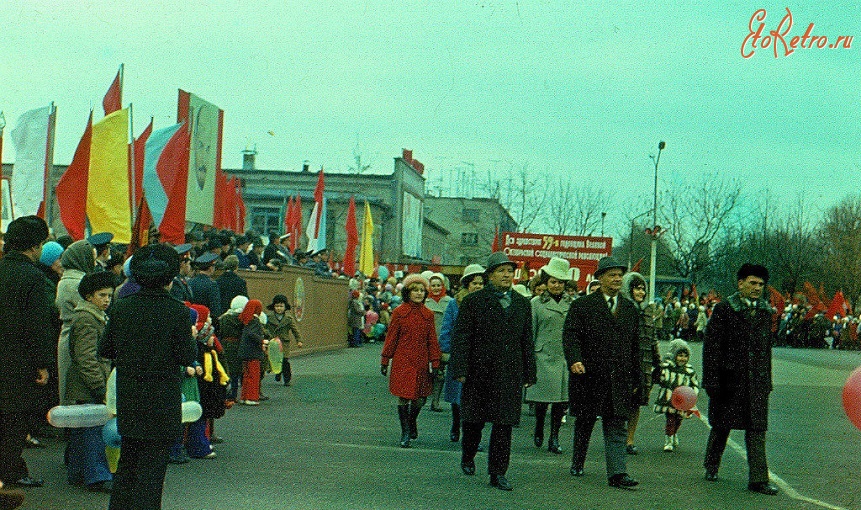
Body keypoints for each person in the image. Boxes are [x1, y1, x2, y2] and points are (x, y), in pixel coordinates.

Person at [97, 243, 197, 510]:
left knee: (128, 464)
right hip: (162, 400)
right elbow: (187, 356)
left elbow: (105, 349)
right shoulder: (178, 310)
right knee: (152, 473)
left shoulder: (121, 307)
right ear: (170, 277)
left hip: (130, 396)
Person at [450, 252, 536, 491]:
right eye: (501, 271)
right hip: (479, 372)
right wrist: (460, 368)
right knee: (474, 422)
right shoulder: (474, 302)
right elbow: (462, 338)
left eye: (510, 271)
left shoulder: (522, 303)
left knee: (504, 424)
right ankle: (468, 455)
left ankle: (498, 473)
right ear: (489, 275)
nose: (507, 275)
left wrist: (530, 372)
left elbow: (526, 339)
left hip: (509, 373)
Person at [563, 256, 640, 490]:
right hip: (590, 376)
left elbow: (635, 345)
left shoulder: (629, 308)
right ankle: (578, 461)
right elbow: (571, 335)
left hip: (618, 379)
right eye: (612, 275)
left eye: (620, 275)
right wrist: (575, 359)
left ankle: (618, 473)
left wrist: (637, 376)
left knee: (616, 423)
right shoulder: (582, 306)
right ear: (600, 278)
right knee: (585, 421)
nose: (617, 279)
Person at [702, 263, 779, 495]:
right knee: (721, 427)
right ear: (740, 283)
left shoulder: (766, 312)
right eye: (752, 283)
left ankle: (758, 479)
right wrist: (711, 381)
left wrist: (767, 381)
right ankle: (711, 465)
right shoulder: (724, 310)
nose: (757, 288)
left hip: (756, 383)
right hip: (729, 381)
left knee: (757, 430)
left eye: (761, 285)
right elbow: (712, 347)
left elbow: (766, 350)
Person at [0, 216, 56, 488]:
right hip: (19, 361)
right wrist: (43, 364)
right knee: (14, 421)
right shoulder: (32, 276)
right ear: (34, 246)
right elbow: (37, 324)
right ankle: (11, 471)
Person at [64, 271, 117, 492]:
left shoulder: (91, 316)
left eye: (109, 295)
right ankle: (97, 475)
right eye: (101, 295)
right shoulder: (87, 319)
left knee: (81, 430)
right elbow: (86, 358)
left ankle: (77, 472)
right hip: (87, 384)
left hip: (81, 384)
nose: (106, 300)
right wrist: (100, 387)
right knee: (93, 431)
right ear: (88, 296)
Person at [380, 274, 441, 448]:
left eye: (422, 290)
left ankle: (412, 420)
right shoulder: (399, 312)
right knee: (404, 396)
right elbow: (392, 337)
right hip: (403, 360)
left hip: (421, 361)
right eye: (415, 290)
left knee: (420, 398)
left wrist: (435, 362)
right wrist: (385, 360)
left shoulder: (428, 315)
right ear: (408, 292)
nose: (419, 293)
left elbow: (432, 340)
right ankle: (405, 431)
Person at [526, 258, 574, 455]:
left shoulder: (572, 304)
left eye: (561, 282)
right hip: (543, 356)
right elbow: (531, 332)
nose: (557, 285)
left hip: (563, 357)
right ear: (546, 282)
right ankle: (538, 426)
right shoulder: (536, 303)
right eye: (554, 281)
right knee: (542, 399)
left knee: (561, 401)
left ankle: (554, 437)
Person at [438, 264, 484, 443]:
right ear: (467, 284)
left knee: (476, 399)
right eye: (474, 283)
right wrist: (447, 352)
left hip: (480, 356)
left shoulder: (487, 302)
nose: (478, 286)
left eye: (481, 283)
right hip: (460, 355)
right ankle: (456, 424)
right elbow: (446, 330)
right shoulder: (454, 303)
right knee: (457, 396)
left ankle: (472, 436)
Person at [619, 271, 661, 455]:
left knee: (636, 403)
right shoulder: (621, 309)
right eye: (637, 288)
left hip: (644, 364)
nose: (641, 292)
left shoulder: (648, 311)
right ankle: (617, 438)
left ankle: (630, 439)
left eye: (643, 289)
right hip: (624, 363)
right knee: (620, 402)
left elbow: (653, 339)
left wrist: (659, 364)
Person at [57, 240, 97, 409]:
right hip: (78, 335)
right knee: (76, 389)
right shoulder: (78, 282)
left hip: (68, 334)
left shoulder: (66, 278)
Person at [653, 338, 699, 452]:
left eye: (685, 356)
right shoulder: (667, 367)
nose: (682, 358)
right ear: (674, 355)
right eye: (680, 355)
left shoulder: (689, 371)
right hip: (669, 400)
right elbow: (660, 379)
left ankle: (674, 434)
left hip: (682, 401)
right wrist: (660, 369)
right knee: (670, 420)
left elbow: (695, 385)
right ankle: (668, 440)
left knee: (678, 420)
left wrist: (692, 395)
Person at [424, 273, 453, 412]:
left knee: (439, 372)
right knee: (425, 372)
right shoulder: (424, 302)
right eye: (433, 285)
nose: (436, 288)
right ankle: (422, 397)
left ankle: (435, 401)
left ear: (443, 286)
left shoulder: (450, 301)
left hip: (443, 341)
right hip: (426, 342)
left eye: (438, 285)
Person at [265, 295, 303, 386]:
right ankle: (278, 372)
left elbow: (295, 330)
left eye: (281, 306)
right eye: (277, 306)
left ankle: (287, 379)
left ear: (285, 307)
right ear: (273, 307)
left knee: (285, 361)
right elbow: (264, 328)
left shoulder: (288, 319)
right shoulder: (268, 317)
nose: (279, 308)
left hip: (284, 342)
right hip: (273, 342)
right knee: (274, 359)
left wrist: (299, 340)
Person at [238, 299, 266, 405]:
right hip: (253, 352)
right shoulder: (254, 320)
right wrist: (262, 340)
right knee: (254, 376)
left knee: (246, 376)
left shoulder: (246, 319)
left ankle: (244, 396)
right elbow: (252, 334)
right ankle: (251, 397)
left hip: (245, 352)